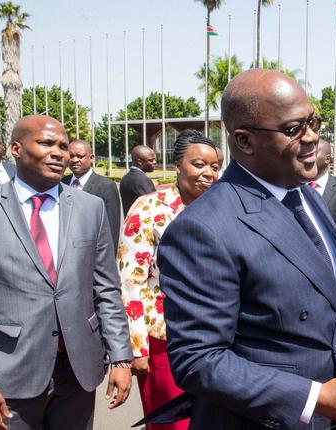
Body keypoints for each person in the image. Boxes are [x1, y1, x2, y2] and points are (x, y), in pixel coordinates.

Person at [156, 70, 336, 429]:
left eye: (313, 122)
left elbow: (327, 293)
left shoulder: (305, 195)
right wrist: (313, 397)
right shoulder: (203, 229)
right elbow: (199, 359)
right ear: (244, 141)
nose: (313, 137)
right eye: (294, 129)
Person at [0, 115, 133, 430]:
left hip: (77, 373)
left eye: (63, 146)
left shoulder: (89, 208)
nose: (58, 153)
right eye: (46, 143)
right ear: (15, 148)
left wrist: (121, 357)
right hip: (7, 376)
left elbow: (106, 289)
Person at [119, 130, 220, 430]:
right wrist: (137, 348)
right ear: (177, 166)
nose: (208, 173)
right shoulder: (149, 208)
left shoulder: (224, 205)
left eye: (215, 166)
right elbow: (130, 281)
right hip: (166, 340)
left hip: (220, 337)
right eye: (199, 164)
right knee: (173, 424)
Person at [62, 139, 122, 251]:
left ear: (91, 158)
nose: (75, 160)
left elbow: (111, 228)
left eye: (80, 156)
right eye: (71, 156)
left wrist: (107, 262)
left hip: (91, 253)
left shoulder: (106, 186)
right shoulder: (61, 183)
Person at [119, 145, 156, 216]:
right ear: (139, 162)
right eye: (151, 160)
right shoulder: (143, 180)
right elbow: (153, 205)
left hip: (130, 223)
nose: (154, 162)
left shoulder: (125, 178)